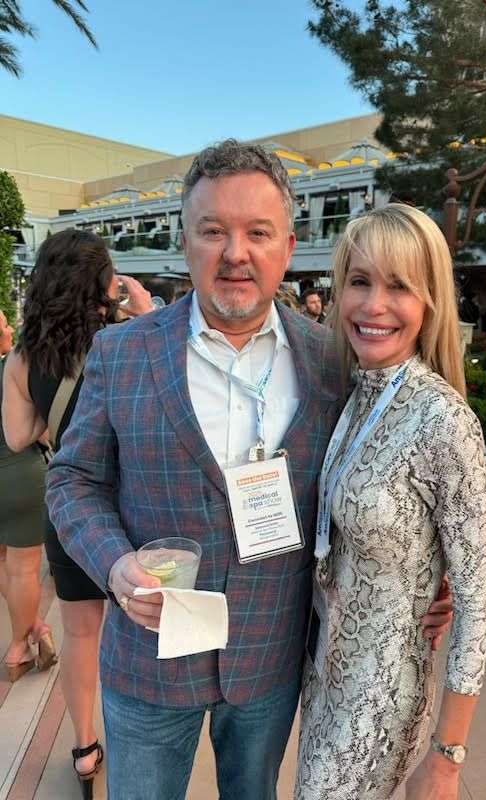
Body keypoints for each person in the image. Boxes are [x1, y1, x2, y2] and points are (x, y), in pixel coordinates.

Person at [44, 140, 451, 800]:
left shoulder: (333, 362)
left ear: (287, 246)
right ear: (186, 241)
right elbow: (72, 479)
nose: (236, 253)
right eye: (214, 232)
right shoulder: (120, 352)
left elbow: (381, 486)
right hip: (148, 664)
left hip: (268, 661)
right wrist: (114, 564)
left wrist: (426, 581)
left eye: (257, 233)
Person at [295, 204, 486, 800]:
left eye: (399, 286)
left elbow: (478, 604)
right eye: (360, 281)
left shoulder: (444, 420)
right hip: (327, 677)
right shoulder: (354, 388)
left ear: (429, 301)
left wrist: (448, 758)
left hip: (383, 698)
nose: (373, 305)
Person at [2, 230, 152, 799]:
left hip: (68, 510)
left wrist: (56, 429)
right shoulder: (126, 339)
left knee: (80, 632)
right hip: (130, 504)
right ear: (99, 282)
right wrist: (140, 313)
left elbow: (18, 437)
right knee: (139, 624)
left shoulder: (21, 356)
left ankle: (85, 747)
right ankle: (141, 734)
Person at [0, 308, 57, 682]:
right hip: (20, 476)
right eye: (4, 323)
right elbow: (40, 434)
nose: (9, 328)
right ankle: (19, 647)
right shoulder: (13, 369)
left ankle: (34, 625)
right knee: (23, 568)